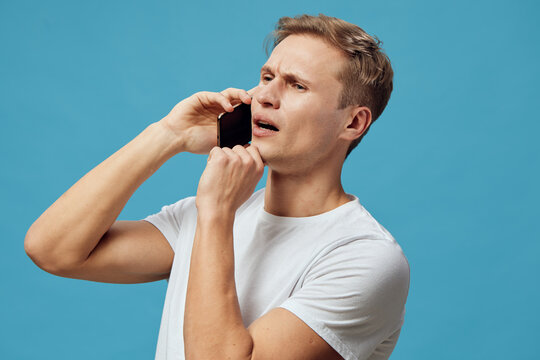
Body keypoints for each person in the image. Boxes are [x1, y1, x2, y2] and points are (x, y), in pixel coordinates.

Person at [25, 13, 410, 360]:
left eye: (296, 86)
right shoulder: (208, 213)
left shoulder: (366, 258)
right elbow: (54, 250)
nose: (264, 97)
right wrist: (167, 135)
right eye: (267, 77)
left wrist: (216, 214)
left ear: (354, 123)